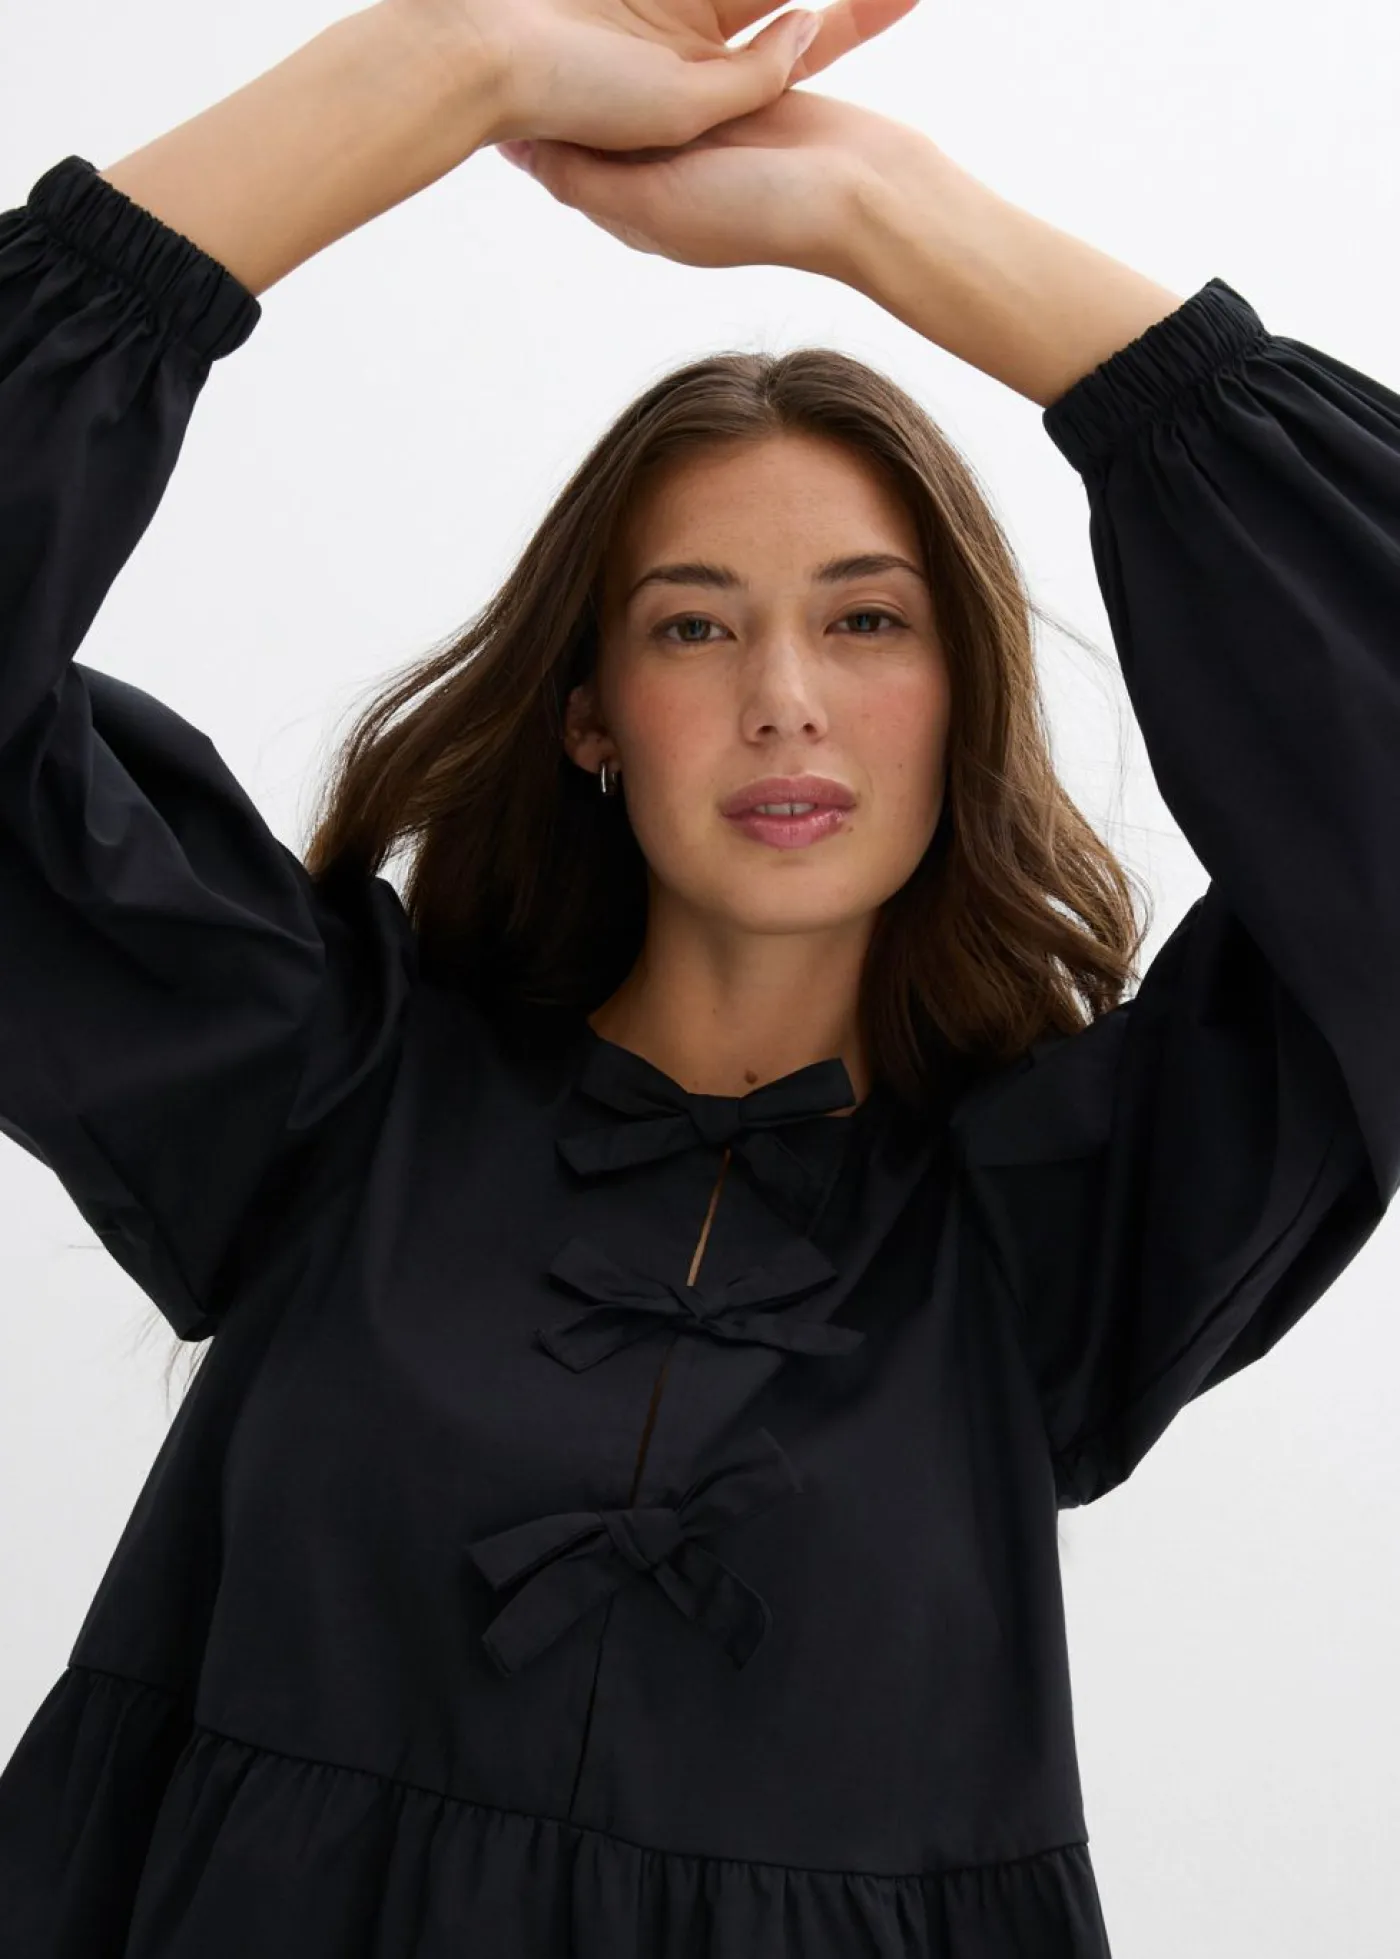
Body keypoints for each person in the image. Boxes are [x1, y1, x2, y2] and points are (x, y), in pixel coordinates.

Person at [0, 0, 1396, 1952]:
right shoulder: (319, 1093)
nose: (783, 697)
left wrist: (894, 216)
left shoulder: (1070, 1234)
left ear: (964, 700)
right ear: (590, 716)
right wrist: (444, 64)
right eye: (690, 625)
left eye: (868, 620)